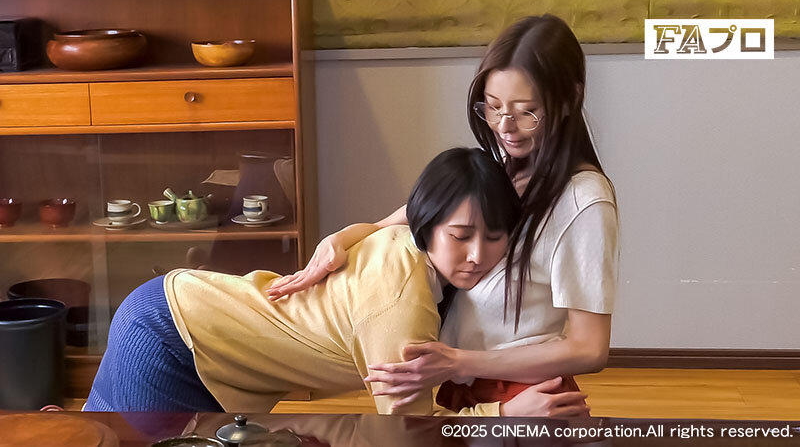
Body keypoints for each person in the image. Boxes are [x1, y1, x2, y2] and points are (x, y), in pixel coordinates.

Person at [268, 14, 618, 416]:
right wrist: (338, 241)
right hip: (464, 384)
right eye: (493, 107)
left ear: (570, 99)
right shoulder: (500, 165)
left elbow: (589, 349)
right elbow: (401, 221)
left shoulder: (584, 201)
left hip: (523, 393)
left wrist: (459, 361)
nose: (505, 127)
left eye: (527, 112)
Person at [84, 147, 588, 416]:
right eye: (461, 236)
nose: (478, 255)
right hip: (172, 337)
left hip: (187, 327)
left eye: (495, 238)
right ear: (427, 223)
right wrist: (507, 419)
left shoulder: (405, 245)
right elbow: (408, 434)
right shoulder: (401, 299)